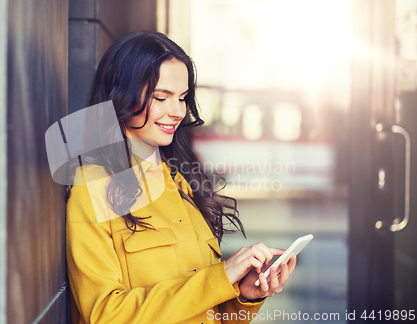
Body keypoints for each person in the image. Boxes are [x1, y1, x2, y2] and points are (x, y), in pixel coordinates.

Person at [66, 31, 297, 324]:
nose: (177, 111)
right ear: (119, 95)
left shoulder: (180, 182)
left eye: (183, 98)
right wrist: (220, 277)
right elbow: (103, 316)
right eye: (161, 97)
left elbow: (207, 314)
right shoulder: (92, 186)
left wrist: (244, 295)